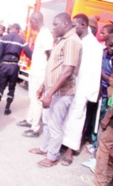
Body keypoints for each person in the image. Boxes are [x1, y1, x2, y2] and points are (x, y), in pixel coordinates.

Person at [29, 12, 82, 168]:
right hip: (52, 90)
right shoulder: (61, 41)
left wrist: (50, 93)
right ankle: (45, 148)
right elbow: (54, 69)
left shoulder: (72, 41)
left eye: (55, 24)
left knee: (55, 126)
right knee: (47, 122)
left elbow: (67, 71)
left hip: (61, 93)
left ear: (65, 24)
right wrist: (43, 87)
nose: (53, 27)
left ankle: (52, 157)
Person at [61, 13, 103, 166]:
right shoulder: (74, 41)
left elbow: (95, 72)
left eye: (74, 25)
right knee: (65, 115)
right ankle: (62, 142)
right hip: (69, 84)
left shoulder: (95, 46)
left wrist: (91, 94)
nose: (72, 27)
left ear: (83, 25)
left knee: (77, 117)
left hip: (83, 87)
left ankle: (70, 150)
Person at [17, 12, 53, 138]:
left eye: (30, 21)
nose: (29, 24)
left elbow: (50, 56)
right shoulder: (41, 33)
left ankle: (35, 128)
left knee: (37, 100)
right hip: (35, 72)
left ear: (36, 20)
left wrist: (46, 76)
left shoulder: (46, 34)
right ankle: (30, 120)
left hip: (40, 74)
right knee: (32, 98)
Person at [0, 24, 32, 118]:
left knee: (1, 86)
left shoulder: (4, 38)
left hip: (4, 65)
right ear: (18, 30)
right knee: (11, 88)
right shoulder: (21, 40)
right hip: (14, 66)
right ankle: (7, 108)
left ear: (12, 29)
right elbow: (29, 53)